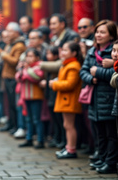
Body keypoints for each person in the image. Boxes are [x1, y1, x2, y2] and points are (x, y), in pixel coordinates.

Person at [80, 20, 117, 174]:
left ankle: (110, 162)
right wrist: (91, 78)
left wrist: (98, 72)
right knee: (99, 132)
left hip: (109, 97)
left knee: (110, 133)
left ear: (111, 35)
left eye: (103, 32)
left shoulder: (114, 51)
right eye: (97, 32)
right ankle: (102, 158)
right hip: (95, 97)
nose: (98, 35)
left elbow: (114, 73)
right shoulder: (92, 51)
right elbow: (84, 71)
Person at [47, 42, 83, 159]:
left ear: (74, 53)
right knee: (67, 125)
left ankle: (71, 149)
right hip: (66, 99)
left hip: (69, 100)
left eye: (66, 50)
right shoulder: (67, 64)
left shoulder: (73, 66)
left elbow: (70, 84)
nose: (62, 52)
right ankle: (68, 147)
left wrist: (54, 84)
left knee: (69, 125)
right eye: (62, 50)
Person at [0, 22, 27, 134]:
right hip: (7, 77)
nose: (7, 33)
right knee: (9, 103)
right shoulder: (11, 44)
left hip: (13, 78)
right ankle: (11, 124)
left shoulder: (19, 45)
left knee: (14, 104)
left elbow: (14, 61)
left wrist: (2, 54)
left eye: (10, 31)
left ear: (16, 32)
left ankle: (16, 126)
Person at [16, 48, 44, 149]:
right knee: (28, 119)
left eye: (31, 56)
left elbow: (36, 77)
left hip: (36, 96)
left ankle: (40, 140)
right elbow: (18, 78)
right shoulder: (26, 67)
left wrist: (25, 70)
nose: (28, 58)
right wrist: (21, 70)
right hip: (26, 97)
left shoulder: (39, 66)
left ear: (37, 57)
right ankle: (29, 138)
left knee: (37, 119)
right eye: (27, 56)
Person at [41, 46, 65, 149]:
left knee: (60, 119)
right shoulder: (49, 64)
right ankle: (57, 137)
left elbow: (54, 67)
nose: (47, 56)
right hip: (50, 94)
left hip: (56, 94)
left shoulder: (59, 64)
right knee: (54, 119)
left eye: (50, 54)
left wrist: (39, 64)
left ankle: (62, 139)